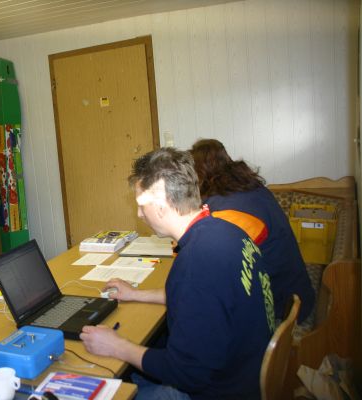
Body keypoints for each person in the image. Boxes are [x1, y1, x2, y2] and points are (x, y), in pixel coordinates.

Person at [80, 148, 275, 400]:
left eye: (141, 205)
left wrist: (117, 346)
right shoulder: (224, 230)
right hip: (244, 369)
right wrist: (136, 294)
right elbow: (204, 298)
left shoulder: (196, 261)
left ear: (160, 205)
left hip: (219, 390)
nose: (139, 214)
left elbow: (186, 373)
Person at [190, 138, 314, 322]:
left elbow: (219, 273)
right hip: (295, 290)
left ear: (200, 175)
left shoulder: (228, 210)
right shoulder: (250, 188)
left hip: (281, 308)